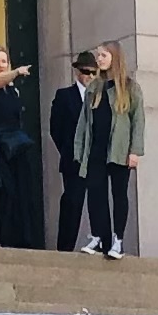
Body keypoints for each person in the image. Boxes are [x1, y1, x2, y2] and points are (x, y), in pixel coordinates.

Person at [0, 43, 44, 251]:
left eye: (4, 61)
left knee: (22, 191)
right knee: (4, 191)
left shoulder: (12, 90)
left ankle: (21, 237)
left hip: (17, 146)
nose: (1, 65)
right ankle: (0, 235)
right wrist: (16, 72)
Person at [92, 39, 146, 256]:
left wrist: (135, 150)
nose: (99, 59)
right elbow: (85, 121)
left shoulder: (130, 87)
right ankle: (100, 237)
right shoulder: (95, 87)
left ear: (114, 57)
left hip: (119, 149)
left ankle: (118, 239)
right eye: (98, 55)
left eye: (103, 55)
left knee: (118, 194)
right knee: (97, 193)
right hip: (97, 147)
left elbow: (138, 120)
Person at [48, 50, 104, 253]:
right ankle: (65, 247)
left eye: (92, 72)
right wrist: (69, 151)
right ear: (76, 72)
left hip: (96, 159)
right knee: (72, 201)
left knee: (98, 203)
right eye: (84, 72)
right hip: (74, 160)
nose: (88, 76)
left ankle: (100, 243)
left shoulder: (101, 97)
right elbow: (56, 128)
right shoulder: (64, 96)